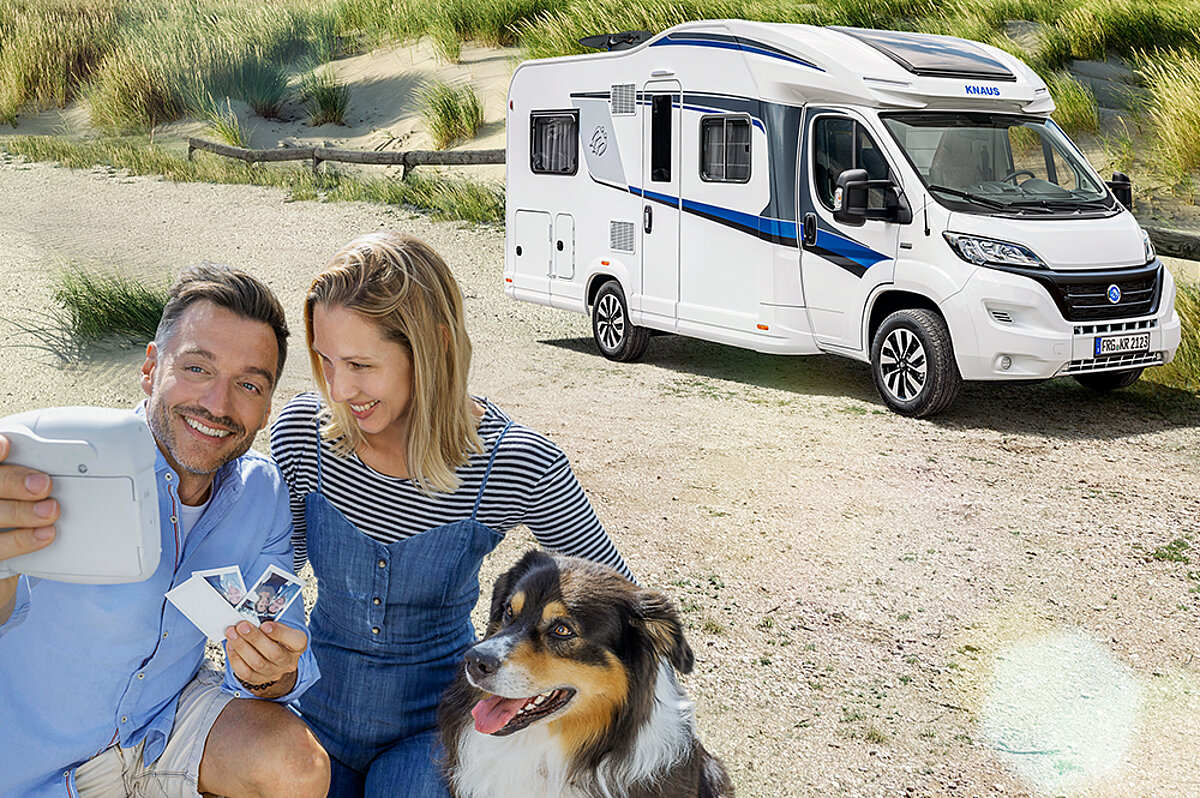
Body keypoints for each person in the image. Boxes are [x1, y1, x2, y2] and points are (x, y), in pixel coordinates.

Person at [270, 232, 634, 798]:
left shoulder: (514, 462)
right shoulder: (302, 435)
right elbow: (275, 570)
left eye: (361, 364)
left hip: (441, 728)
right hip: (308, 713)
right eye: (326, 360)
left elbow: (619, 602)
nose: (338, 388)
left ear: (434, 345)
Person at [0, 263, 330, 797]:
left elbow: (281, 650)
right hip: (32, 770)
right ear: (151, 368)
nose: (218, 405)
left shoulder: (263, 493)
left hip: (159, 729)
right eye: (197, 369)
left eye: (248, 384)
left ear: (268, 407)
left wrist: (271, 672)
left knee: (298, 768)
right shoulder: (61, 464)